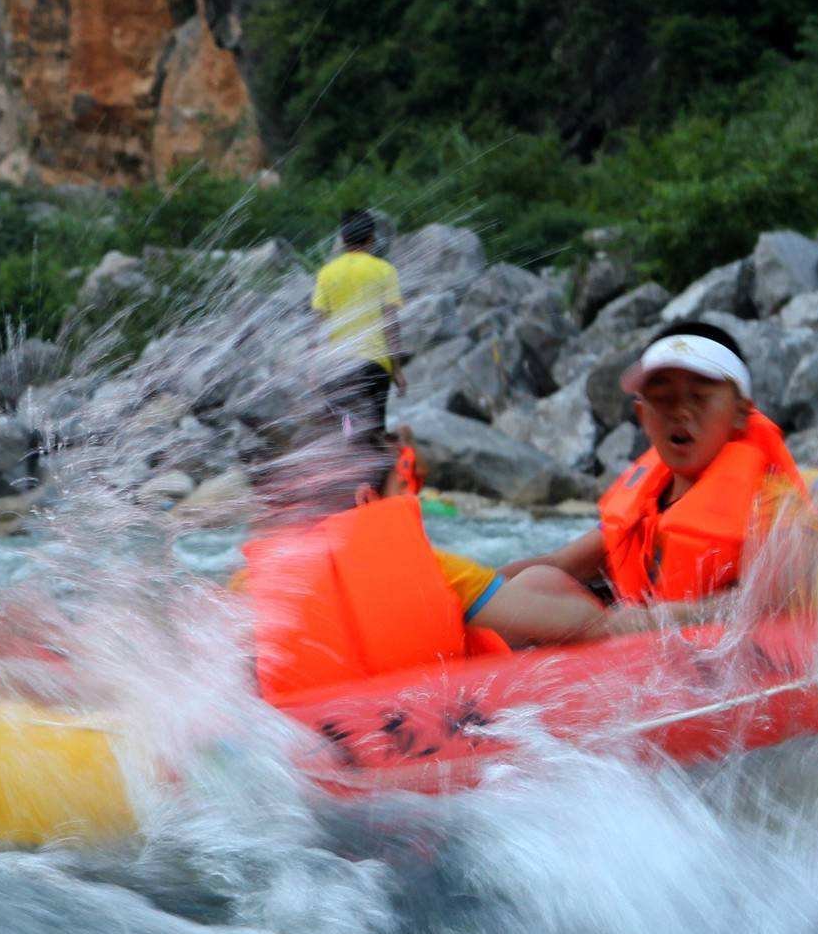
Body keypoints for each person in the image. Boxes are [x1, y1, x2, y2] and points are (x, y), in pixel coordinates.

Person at [239, 437, 615, 703]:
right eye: (397, 492)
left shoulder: (250, 585)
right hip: (429, 748)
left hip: (309, 763)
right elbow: (579, 625)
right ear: (368, 500)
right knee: (540, 582)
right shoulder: (434, 569)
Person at [505, 322, 807, 608]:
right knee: (539, 581)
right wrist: (478, 587)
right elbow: (561, 564)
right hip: (638, 632)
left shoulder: (770, 505)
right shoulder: (646, 501)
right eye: (663, 398)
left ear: (741, 413)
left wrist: (656, 620)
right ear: (641, 414)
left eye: (699, 398)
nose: (680, 413)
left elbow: (772, 603)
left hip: (694, 645)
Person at [310, 210, 405, 446]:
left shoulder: (326, 274)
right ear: (371, 239)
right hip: (375, 366)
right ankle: (376, 479)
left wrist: (314, 367)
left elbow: (318, 326)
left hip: (338, 367)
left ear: (342, 240)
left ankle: (349, 472)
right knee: (375, 431)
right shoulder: (385, 270)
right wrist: (398, 371)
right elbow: (391, 323)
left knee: (348, 431)